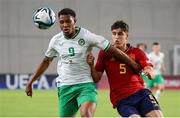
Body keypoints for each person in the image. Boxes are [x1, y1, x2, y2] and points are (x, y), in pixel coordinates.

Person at [25, 8, 141, 117]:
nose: (65, 25)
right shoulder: (56, 41)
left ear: (74, 21)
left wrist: (133, 63)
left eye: (68, 21)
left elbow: (112, 50)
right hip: (65, 86)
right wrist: (31, 82)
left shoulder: (87, 36)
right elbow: (46, 61)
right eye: (62, 22)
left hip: (85, 85)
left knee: (86, 115)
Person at [87, 20, 163, 117]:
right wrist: (91, 65)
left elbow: (149, 69)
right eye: (114, 34)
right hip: (122, 99)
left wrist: (149, 72)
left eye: (120, 34)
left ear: (126, 36)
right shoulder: (105, 53)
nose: (116, 37)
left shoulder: (136, 52)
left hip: (141, 93)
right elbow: (96, 78)